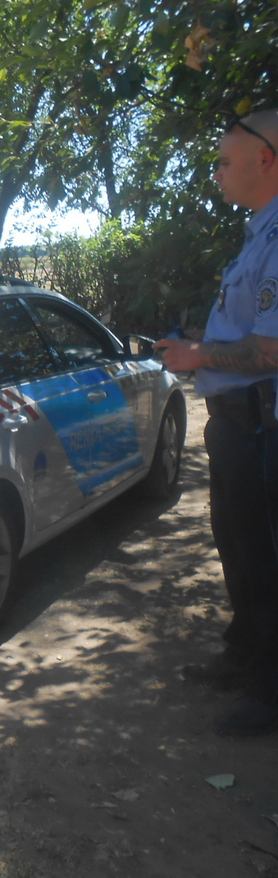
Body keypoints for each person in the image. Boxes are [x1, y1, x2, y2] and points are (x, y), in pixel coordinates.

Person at [155, 109, 278, 735]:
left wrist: (197, 356)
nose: (217, 174)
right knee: (238, 547)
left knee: (265, 556)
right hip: (235, 424)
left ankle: (270, 692)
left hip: (261, 426)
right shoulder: (259, 235)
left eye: (226, 162)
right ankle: (245, 655)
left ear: (266, 159)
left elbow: (271, 350)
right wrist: (199, 347)